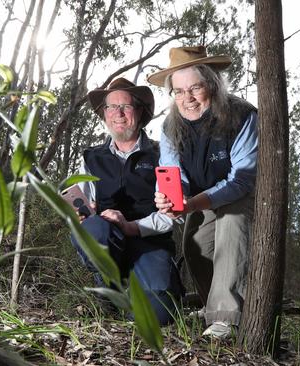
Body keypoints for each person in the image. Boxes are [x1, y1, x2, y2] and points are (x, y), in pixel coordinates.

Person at [147, 46, 258, 338]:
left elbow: (242, 180)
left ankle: (228, 317)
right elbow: (172, 173)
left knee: (231, 225)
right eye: (179, 91)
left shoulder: (242, 115)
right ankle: (214, 306)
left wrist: (193, 202)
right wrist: (170, 197)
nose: (188, 98)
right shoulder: (171, 126)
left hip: (240, 194)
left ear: (212, 85)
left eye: (195, 88)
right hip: (201, 197)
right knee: (195, 243)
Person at [69, 77, 182, 325]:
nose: (118, 114)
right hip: (109, 239)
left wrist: (131, 226)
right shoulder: (91, 158)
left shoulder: (163, 155)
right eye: (111, 107)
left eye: (126, 106)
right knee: (93, 230)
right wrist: (82, 216)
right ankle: (107, 285)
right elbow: (81, 206)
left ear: (140, 112)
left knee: (156, 315)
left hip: (149, 243)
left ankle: (149, 291)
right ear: (104, 114)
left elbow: (171, 216)